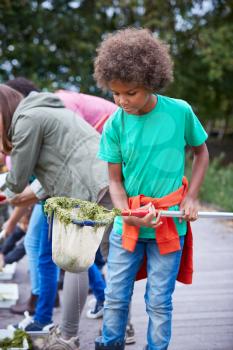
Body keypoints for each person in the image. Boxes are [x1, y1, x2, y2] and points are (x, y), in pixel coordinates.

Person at [93, 27, 209, 350]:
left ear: (150, 80)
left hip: (169, 224)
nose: (122, 101)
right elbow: (114, 181)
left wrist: (193, 196)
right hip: (127, 226)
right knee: (115, 296)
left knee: (159, 301)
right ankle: (110, 344)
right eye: (115, 93)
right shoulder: (115, 124)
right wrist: (128, 215)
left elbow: (201, 153)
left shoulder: (180, 112)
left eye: (130, 92)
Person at [0, 84, 109, 350]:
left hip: (87, 187)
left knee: (75, 263)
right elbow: (52, 172)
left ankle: (68, 337)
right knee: (93, 263)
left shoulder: (27, 120)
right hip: (99, 180)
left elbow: (17, 182)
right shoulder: (42, 110)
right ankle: (104, 330)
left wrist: (8, 190)